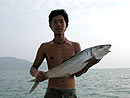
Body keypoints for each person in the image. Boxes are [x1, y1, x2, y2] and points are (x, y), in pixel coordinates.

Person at [30, 9, 100, 98]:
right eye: (55, 22)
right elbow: (33, 68)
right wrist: (37, 74)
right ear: (50, 26)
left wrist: (89, 64)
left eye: (61, 21)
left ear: (66, 25)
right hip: (52, 92)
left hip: (70, 92)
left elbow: (77, 74)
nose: (58, 24)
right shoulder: (45, 47)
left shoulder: (75, 46)